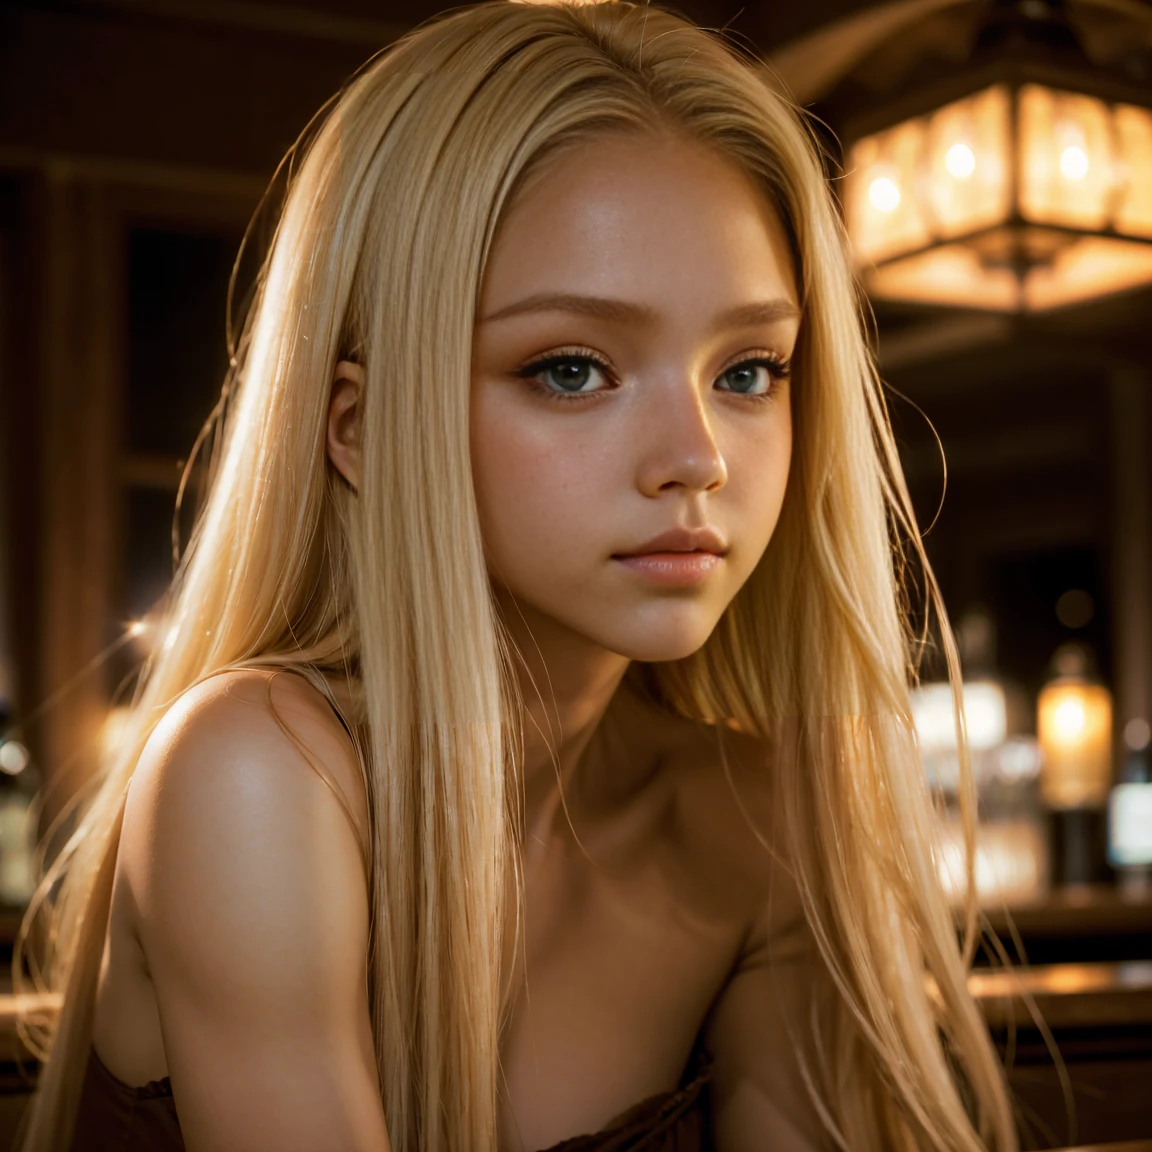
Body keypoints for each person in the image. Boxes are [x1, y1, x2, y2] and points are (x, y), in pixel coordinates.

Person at [14, 2, 1017, 1149]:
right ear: (363, 426)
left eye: (748, 370)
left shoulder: (757, 817)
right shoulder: (258, 776)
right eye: (573, 368)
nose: (697, 458)